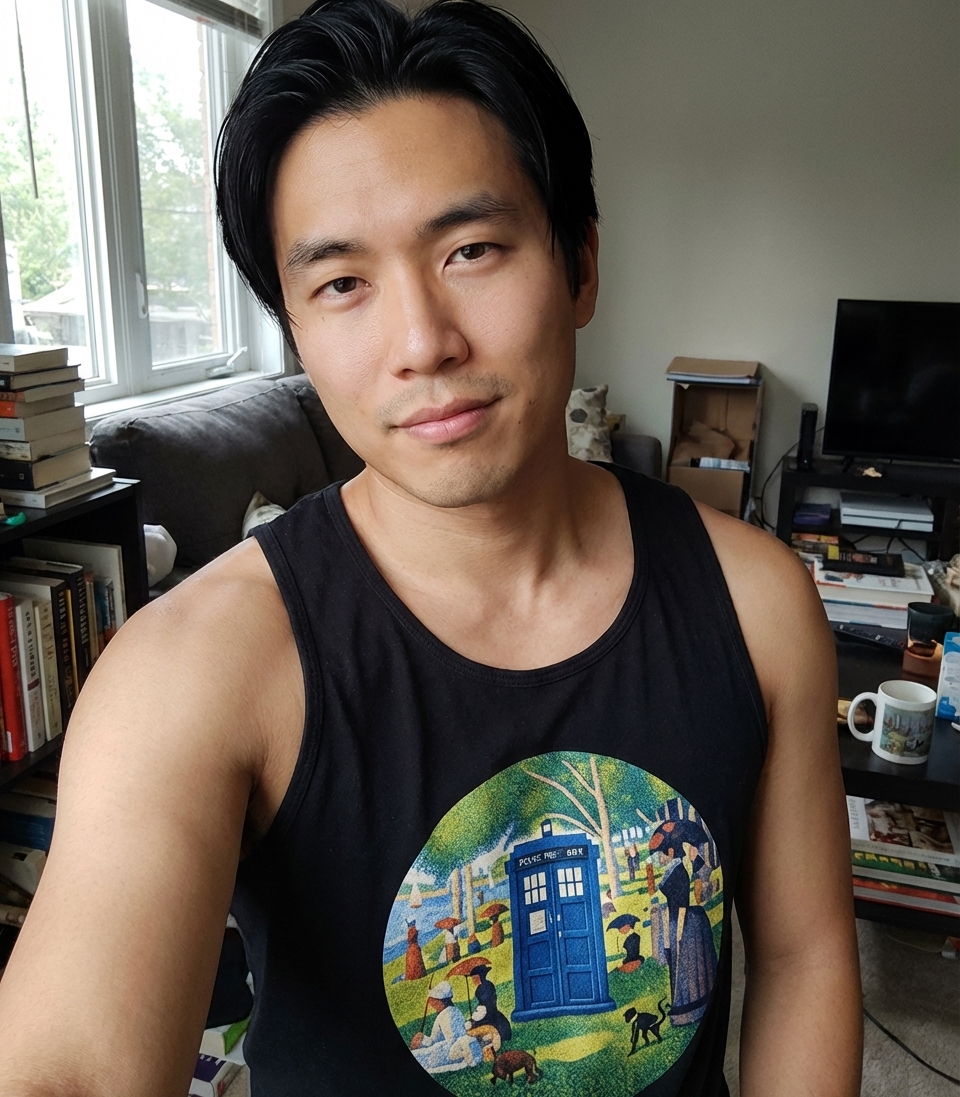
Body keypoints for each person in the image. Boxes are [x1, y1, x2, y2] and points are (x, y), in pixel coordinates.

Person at [0, 1, 862, 1094]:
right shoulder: (193, 669)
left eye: (472, 250)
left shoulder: (759, 602)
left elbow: (804, 954)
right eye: (342, 283)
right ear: (297, 329)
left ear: (581, 265)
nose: (422, 343)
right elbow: (68, 1065)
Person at [650, 819, 718, 1026]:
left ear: (670, 852)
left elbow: (681, 900)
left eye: (661, 854)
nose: (659, 859)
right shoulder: (673, 870)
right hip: (674, 920)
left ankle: (686, 1009)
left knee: (684, 966)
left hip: (682, 922)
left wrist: (675, 931)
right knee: (676, 964)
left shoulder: (678, 871)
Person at [410, 981, 483, 1073]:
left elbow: (451, 1041)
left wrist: (422, 1042)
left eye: (433, 1001)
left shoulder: (446, 1014)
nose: (432, 1005)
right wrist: (422, 1039)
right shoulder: (455, 1010)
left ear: (439, 1001)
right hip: (448, 1048)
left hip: (447, 1052)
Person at [468, 965, 511, 1044]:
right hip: (483, 1011)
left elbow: (485, 1005)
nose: (473, 981)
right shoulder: (480, 988)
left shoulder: (487, 986)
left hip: (489, 1013)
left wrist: (474, 1018)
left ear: (480, 977)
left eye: (474, 978)